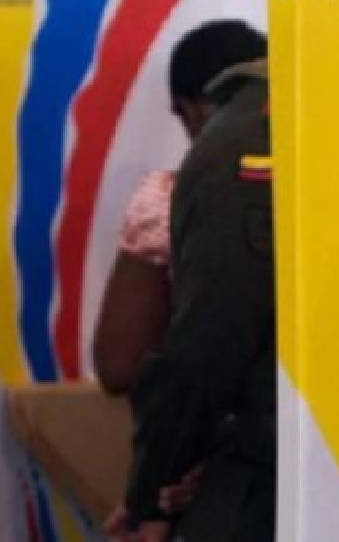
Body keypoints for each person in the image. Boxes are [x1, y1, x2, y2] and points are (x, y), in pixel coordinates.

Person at [119, 56, 274, 542]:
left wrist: (153, 487)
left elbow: (208, 339)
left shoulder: (240, 139)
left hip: (260, 481)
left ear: (190, 109)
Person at [92, 20, 267, 396]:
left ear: (191, 111)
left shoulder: (164, 200)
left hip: (219, 422)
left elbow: (119, 364)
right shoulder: (329, 192)